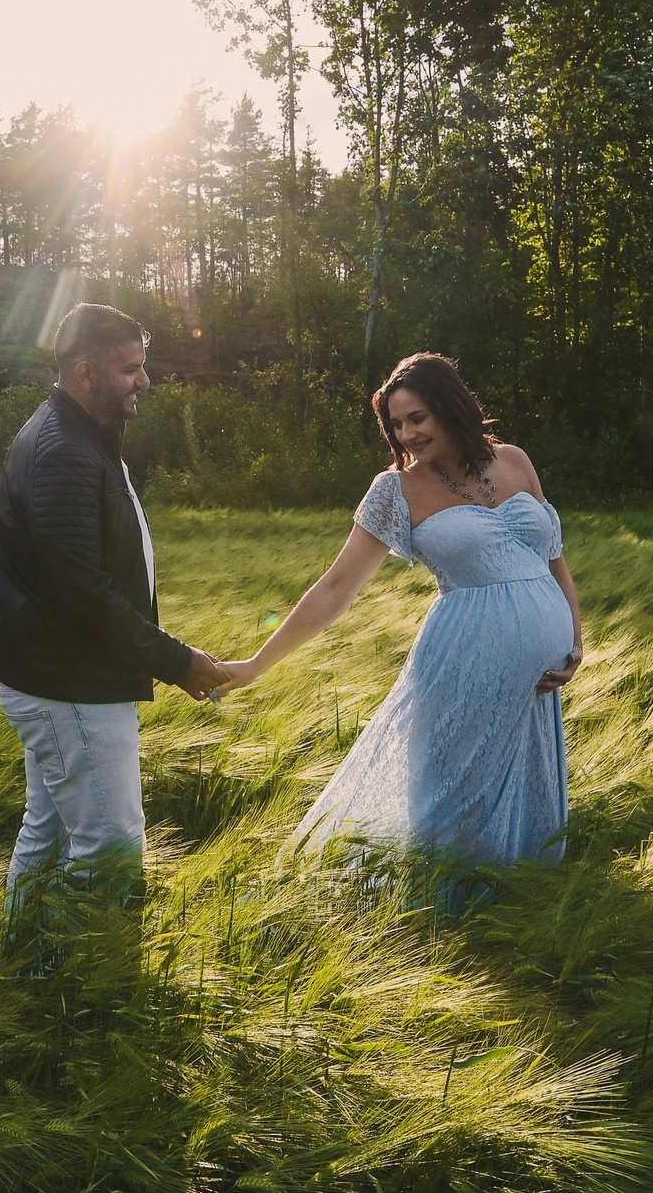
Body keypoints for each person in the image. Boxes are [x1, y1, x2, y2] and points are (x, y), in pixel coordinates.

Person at [209, 352, 582, 868]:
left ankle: (520, 911)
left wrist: (574, 641)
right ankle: (439, 925)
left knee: (522, 796)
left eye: (417, 418)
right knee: (452, 799)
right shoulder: (396, 490)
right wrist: (255, 665)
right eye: (396, 424)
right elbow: (337, 587)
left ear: (451, 408)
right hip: (462, 665)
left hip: (536, 678)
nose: (406, 434)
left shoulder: (514, 460)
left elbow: (554, 560)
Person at [0, 302, 226, 907]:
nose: (145, 381)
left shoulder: (82, 434)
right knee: (108, 847)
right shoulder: (64, 449)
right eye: (130, 369)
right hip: (70, 685)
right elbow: (82, 595)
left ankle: (29, 967)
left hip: (61, 677)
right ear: (85, 373)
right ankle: (82, 984)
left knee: (49, 833)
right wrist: (177, 662)